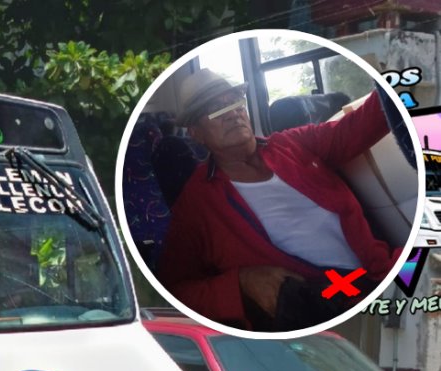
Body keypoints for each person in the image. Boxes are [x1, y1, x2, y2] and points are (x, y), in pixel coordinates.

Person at [157, 68, 398, 331]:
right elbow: (175, 290)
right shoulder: (196, 204)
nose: (233, 113)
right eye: (215, 109)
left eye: (235, 102)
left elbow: (357, 127)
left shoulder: (290, 144)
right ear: (196, 133)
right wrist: (241, 282)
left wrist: (399, 79)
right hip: (326, 305)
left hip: (380, 270)